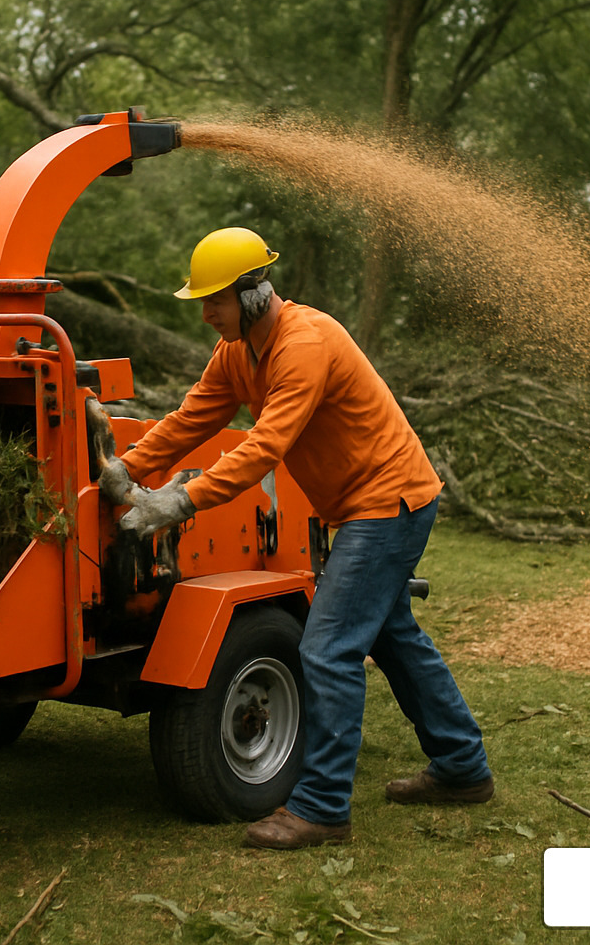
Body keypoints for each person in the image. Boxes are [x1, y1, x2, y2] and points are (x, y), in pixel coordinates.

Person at [101, 227, 492, 850]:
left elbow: (265, 447)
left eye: (215, 301)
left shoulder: (303, 344)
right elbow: (192, 418)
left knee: (328, 648)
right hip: (362, 507)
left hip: (389, 503)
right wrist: (128, 468)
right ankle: (463, 767)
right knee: (393, 637)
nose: (206, 314)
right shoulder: (237, 352)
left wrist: (180, 500)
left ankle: (322, 808)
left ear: (253, 293)